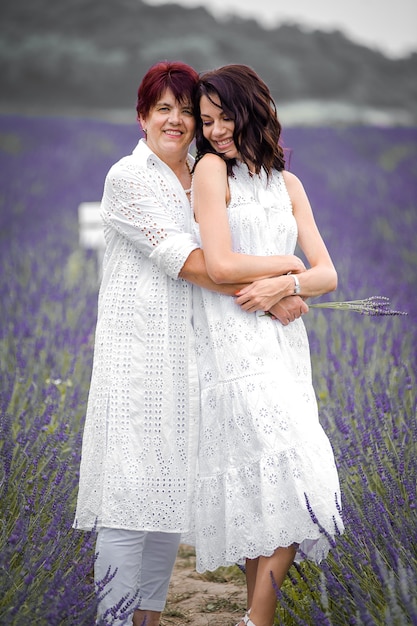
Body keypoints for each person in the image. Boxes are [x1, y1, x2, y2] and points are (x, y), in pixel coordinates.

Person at [73, 59, 308, 626]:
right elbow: (196, 263)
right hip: (140, 363)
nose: (177, 121)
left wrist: (278, 283)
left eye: (187, 112)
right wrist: (283, 278)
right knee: (130, 501)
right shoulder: (128, 179)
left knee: (165, 507)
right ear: (141, 118)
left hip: (196, 361)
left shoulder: (205, 171)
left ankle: (148, 619)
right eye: (164, 110)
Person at [189, 64, 344, 626]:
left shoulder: (289, 185)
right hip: (232, 340)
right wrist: (286, 265)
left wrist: (290, 283)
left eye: (224, 116)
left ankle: (255, 618)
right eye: (205, 121)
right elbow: (222, 263)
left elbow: (328, 274)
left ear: (252, 109)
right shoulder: (210, 171)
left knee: (281, 478)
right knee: (292, 475)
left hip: (282, 344)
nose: (215, 130)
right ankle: (258, 619)